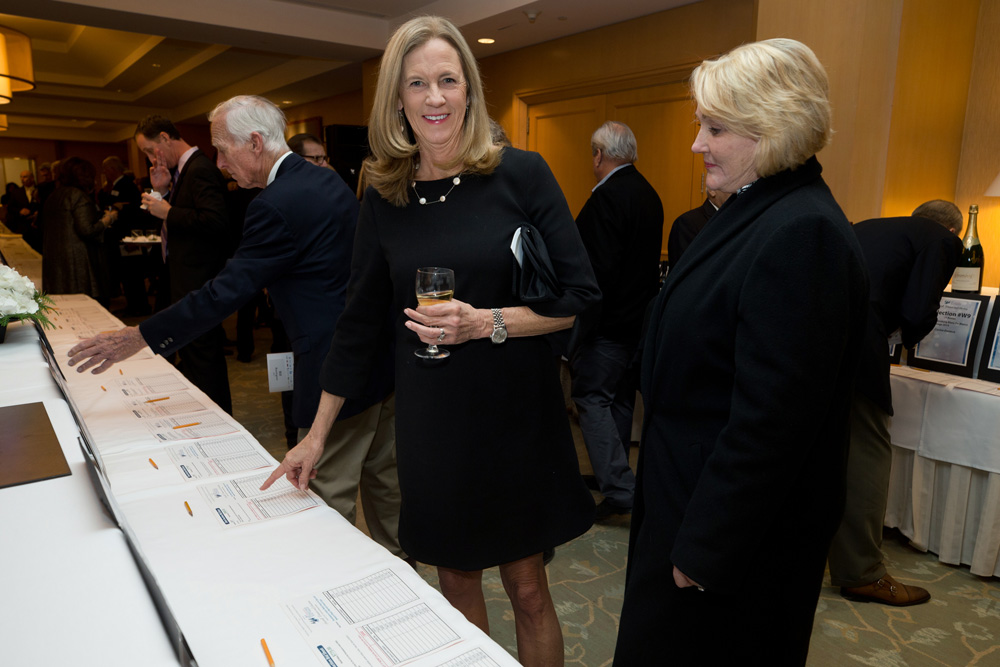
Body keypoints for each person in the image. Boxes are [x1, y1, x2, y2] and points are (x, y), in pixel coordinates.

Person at [261, 16, 600, 666]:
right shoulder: (384, 195)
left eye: (448, 80)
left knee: (529, 589)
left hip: (515, 415)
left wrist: (485, 322)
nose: (434, 97)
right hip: (433, 425)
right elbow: (359, 324)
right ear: (398, 98)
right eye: (417, 83)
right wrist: (315, 434)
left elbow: (578, 298)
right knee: (454, 584)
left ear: (469, 90)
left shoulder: (521, 174)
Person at [613, 39, 869, 666]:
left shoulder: (802, 232)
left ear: (772, 129)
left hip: (727, 543)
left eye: (715, 128)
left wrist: (705, 550)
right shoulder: (754, 211)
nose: (696, 143)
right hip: (688, 502)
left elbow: (773, 424)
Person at [66, 96, 403, 557]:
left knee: (325, 502)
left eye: (224, 150)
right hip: (378, 355)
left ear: (256, 143)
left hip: (334, 370)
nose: (220, 163)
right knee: (386, 489)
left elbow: (224, 293)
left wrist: (138, 336)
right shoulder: (324, 179)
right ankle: (404, 572)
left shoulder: (275, 203)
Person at [829, 200, 963, 606]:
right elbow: (918, 310)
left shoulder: (871, 224)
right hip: (856, 342)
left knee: (822, 448)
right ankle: (862, 572)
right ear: (952, 230)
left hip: (812, 337)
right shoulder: (941, 239)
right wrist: (909, 335)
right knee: (867, 450)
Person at [569, 120, 663, 520]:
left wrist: (579, 327)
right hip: (638, 323)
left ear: (599, 155)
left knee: (591, 398)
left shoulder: (607, 198)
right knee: (619, 401)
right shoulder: (649, 194)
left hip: (607, 325)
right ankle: (619, 482)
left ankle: (621, 489)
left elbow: (598, 273)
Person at [135, 114, 233, 414]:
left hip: (199, 279)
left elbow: (216, 222)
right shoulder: (182, 171)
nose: (151, 159)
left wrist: (168, 211)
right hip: (183, 277)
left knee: (203, 357)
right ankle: (205, 417)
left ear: (165, 138)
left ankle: (219, 420)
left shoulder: (200, 168)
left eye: (150, 150)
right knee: (191, 354)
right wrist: (164, 192)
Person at [41, 157, 114, 304]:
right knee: (90, 307)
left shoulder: (55, 195)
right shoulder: (78, 196)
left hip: (57, 261)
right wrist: (107, 220)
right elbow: (87, 230)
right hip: (79, 263)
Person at [666, 186, 728, 268]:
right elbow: (684, 269)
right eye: (732, 187)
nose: (738, 193)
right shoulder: (688, 223)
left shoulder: (736, 220)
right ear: (712, 190)